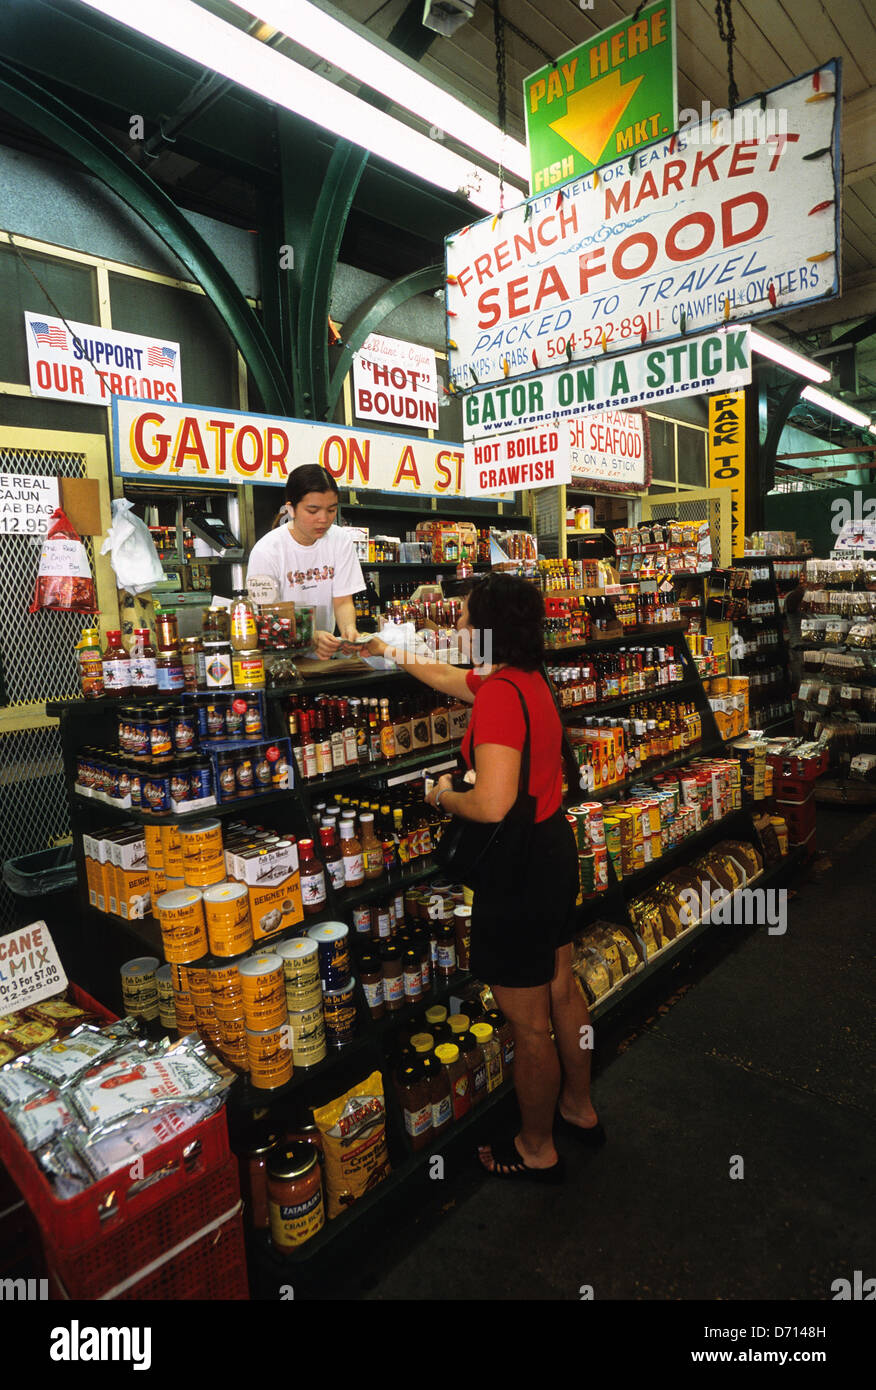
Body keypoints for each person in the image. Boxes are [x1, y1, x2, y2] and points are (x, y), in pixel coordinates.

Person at [367, 572, 603, 1182]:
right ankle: (579, 1108)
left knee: (528, 1025)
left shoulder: (500, 696)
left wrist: (444, 794)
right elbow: (448, 677)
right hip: (551, 852)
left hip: (517, 871)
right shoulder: (522, 680)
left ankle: (535, 1146)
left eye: (469, 619)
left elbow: (493, 804)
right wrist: (381, 645)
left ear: (492, 629)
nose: (461, 629)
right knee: (563, 991)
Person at [246, 464, 364, 660]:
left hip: (324, 659)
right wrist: (310, 636)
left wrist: (349, 631)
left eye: (331, 510)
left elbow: (343, 601)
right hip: (280, 660)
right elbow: (266, 617)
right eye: (312, 510)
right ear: (291, 509)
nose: (323, 519)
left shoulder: (340, 540)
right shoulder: (267, 551)